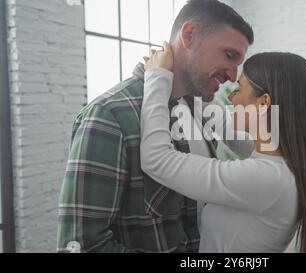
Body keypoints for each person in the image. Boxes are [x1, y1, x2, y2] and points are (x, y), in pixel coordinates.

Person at [57, 0, 254, 253]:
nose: (233, 76)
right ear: (189, 35)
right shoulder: (109, 116)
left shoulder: (201, 109)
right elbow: (81, 247)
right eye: (229, 55)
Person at [140, 43, 306, 252]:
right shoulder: (281, 161)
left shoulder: (267, 178)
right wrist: (188, 77)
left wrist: (157, 77)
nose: (231, 96)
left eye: (239, 88)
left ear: (264, 102)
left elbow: (156, 159)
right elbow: (224, 127)